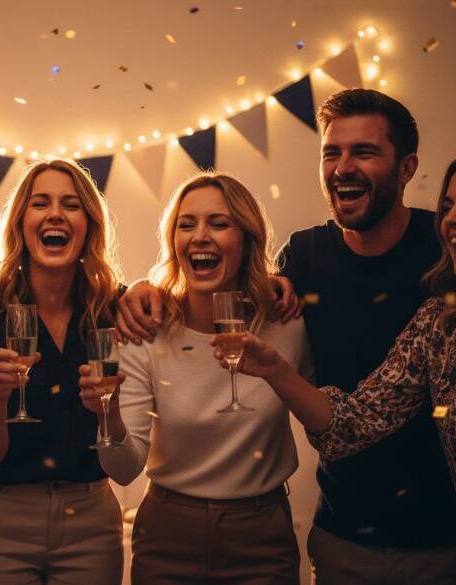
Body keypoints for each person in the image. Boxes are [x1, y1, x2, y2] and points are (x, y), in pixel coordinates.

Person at [118, 89, 456, 584]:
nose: (343, 166)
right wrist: (139, 288)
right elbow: (234, 283)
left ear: (407, 167)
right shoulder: (305, 258)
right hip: (345, 530)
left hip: (449, 532)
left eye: (364, 152)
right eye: (332, 153)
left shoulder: (449, 252)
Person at [218, 147, 456, 585]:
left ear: (406, 167)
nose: (453, 218)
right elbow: (352, 424)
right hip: (440, 549)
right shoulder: (442, 324)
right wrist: (273, 368)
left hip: (446, 542)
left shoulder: (424, 244)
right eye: (448, 206)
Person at [82, 172, 313, 584]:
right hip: (169, 534)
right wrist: (108, 414)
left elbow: (322, 415)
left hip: (262, 534)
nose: (200, 236)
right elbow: (123, 469)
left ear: (247, 239)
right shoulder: (144, 332)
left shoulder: (286, 324)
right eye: (186, 225)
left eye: (219, 224)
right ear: (173, 241)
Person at [0, 159, 124, 585]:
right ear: (20, 222)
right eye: (40, 203)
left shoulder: (115, 310)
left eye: (71, 204)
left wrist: (108, 407)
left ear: (89, 224)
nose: (55, 214)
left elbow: (124, 457)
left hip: (91, 520)